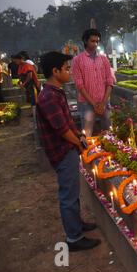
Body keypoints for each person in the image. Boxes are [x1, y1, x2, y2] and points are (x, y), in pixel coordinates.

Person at [36, 51, 100, 251]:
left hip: (68, 148)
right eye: (66, 68)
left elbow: (68, 122)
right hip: (62, 151)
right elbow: (62, 129)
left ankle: (77, 224)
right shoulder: (48, 97)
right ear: (55, 71)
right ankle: (74, 238)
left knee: (73, 190)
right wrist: (79, 144)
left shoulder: (56, 92)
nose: (69, 72)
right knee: (68, 194)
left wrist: (79, 136)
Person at [72, 29, 115, 137]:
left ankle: (109, 152)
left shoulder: (104, 59)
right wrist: (94, 104)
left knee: (109, 132)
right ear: (86, 41)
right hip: (87, 102)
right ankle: (88, 153)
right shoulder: (77, 60)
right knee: (87, 134)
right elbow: (79, 85)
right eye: (92, 41)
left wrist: (103, 102)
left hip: (104, 101)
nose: (95, 44)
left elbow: (110, 81)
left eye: (97, 41)